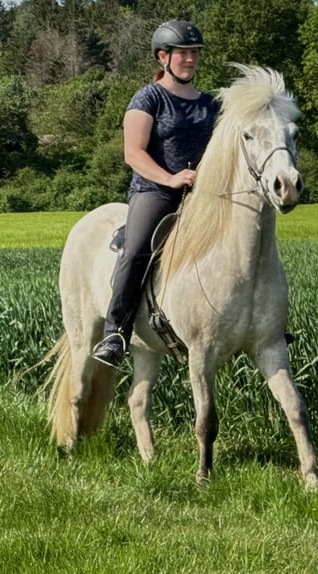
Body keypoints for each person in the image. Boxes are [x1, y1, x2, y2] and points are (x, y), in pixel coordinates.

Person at [92, 19, 219, 368]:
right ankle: (115, 333)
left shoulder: (210, 104)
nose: (191, 59)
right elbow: (133, 154)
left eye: (195, 53)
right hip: (155, 191)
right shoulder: (149, 98)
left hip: (203, 195)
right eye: (183, 53)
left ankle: (261, 324)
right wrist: (171, 178)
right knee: (135, 251)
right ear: (163, 57)